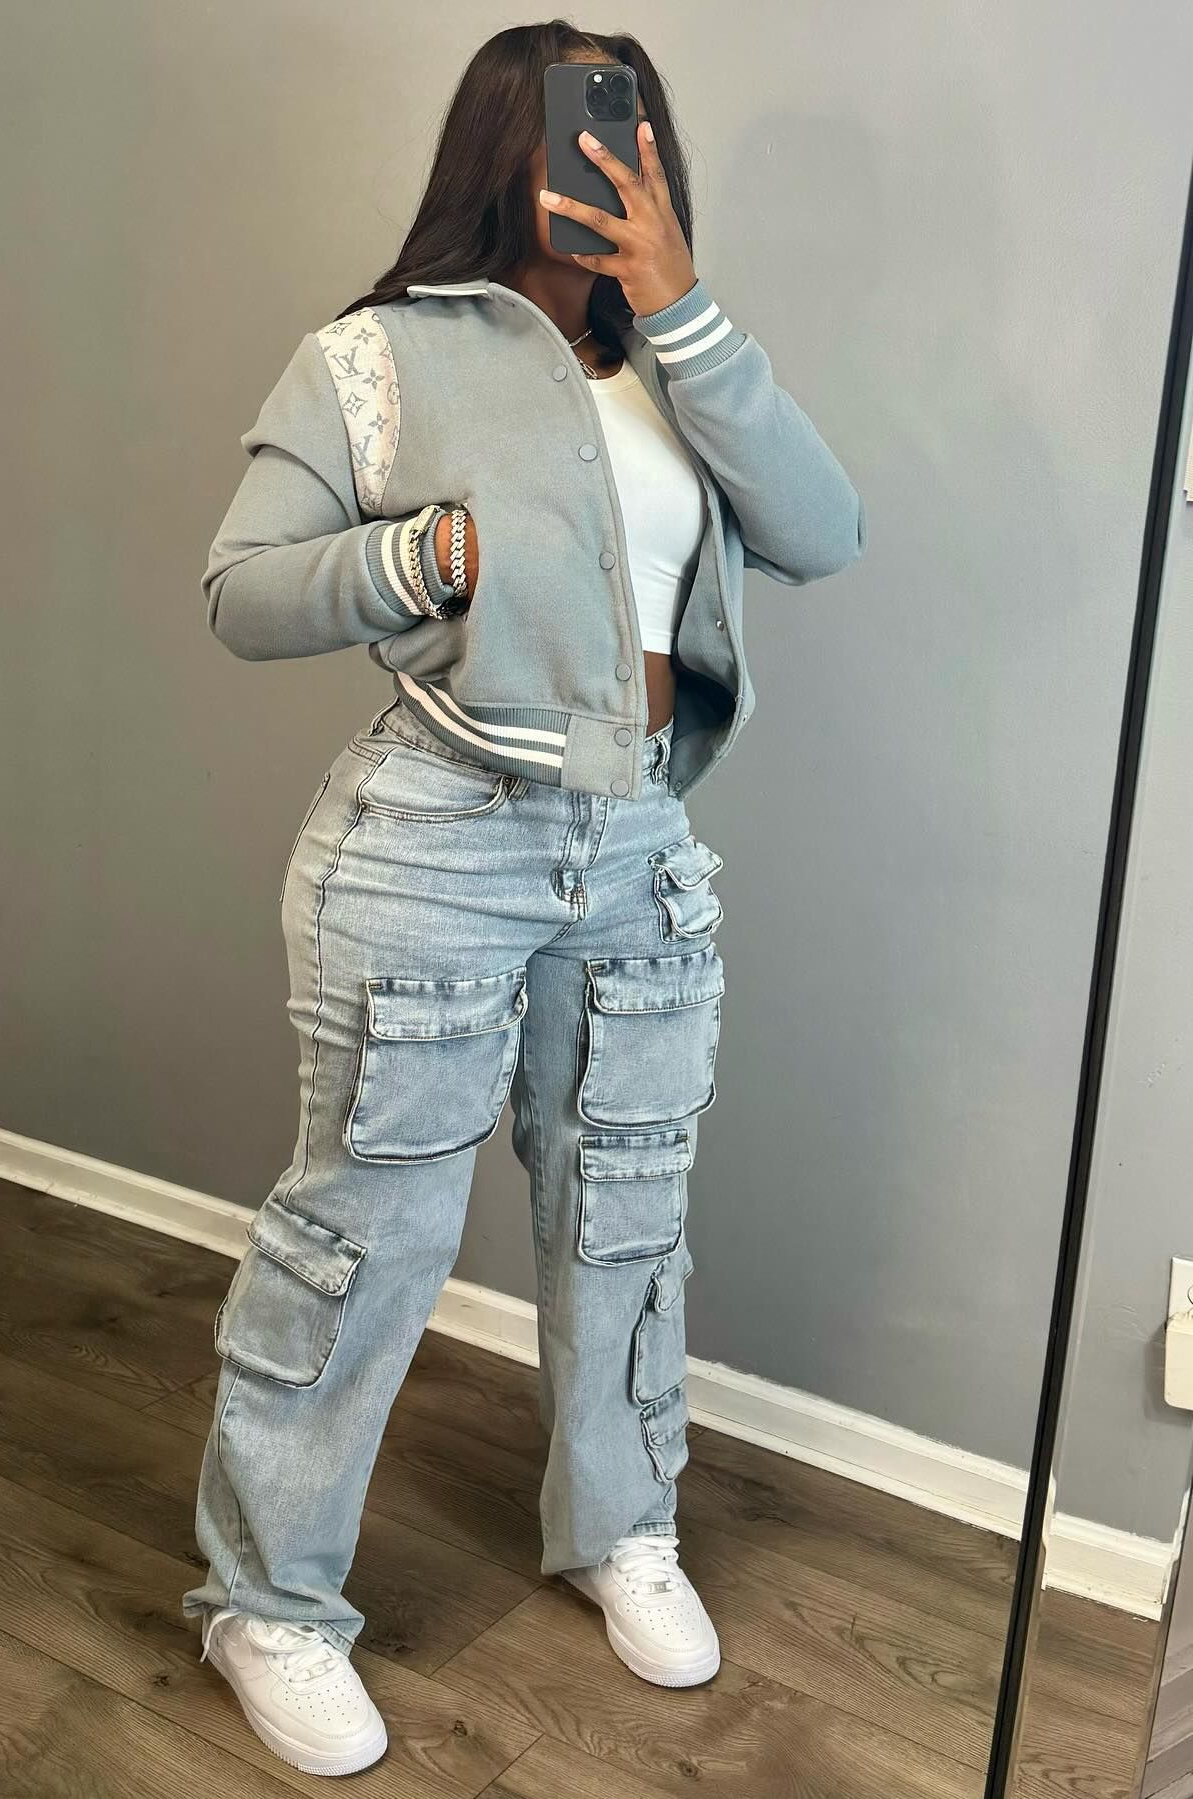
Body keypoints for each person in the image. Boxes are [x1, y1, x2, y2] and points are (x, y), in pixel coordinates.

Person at [184, 20, 864, 1778]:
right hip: (438, 833)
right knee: (367, 1239)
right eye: (578, 131)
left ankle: (620, 1528)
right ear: (508, 147)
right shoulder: (375, 357)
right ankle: (270, 1604)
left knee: (625, 1215)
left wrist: (684, 306)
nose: (611, 162)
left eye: (636, 136)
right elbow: (244, 593)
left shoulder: (682, 364)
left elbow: (822, 530)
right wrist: (433, 552)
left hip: (637, 842)